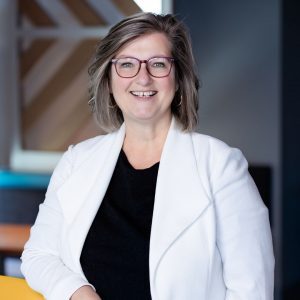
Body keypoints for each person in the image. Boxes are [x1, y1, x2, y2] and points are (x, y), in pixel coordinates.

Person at [21, 12, 275, 300]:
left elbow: (252, 291)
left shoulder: (222, 166)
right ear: (109, 79)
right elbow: (38, 255)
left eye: (157, 64)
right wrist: (78, 293)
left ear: (178, 78)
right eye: (127, 64)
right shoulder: (76, 161)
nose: (143, 78)